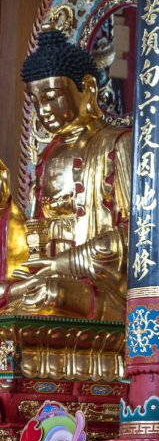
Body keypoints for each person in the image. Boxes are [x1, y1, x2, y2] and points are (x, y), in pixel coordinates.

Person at [0, 30, 130, 320]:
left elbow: (135, 235)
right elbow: (37, 234)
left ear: (88, 88)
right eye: (36, 101)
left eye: (52, 96)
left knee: (52, 293)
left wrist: (63, 264)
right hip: (46, 277)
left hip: (101, 290)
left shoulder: (118, 144)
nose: (43, 110)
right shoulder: (48, 156)